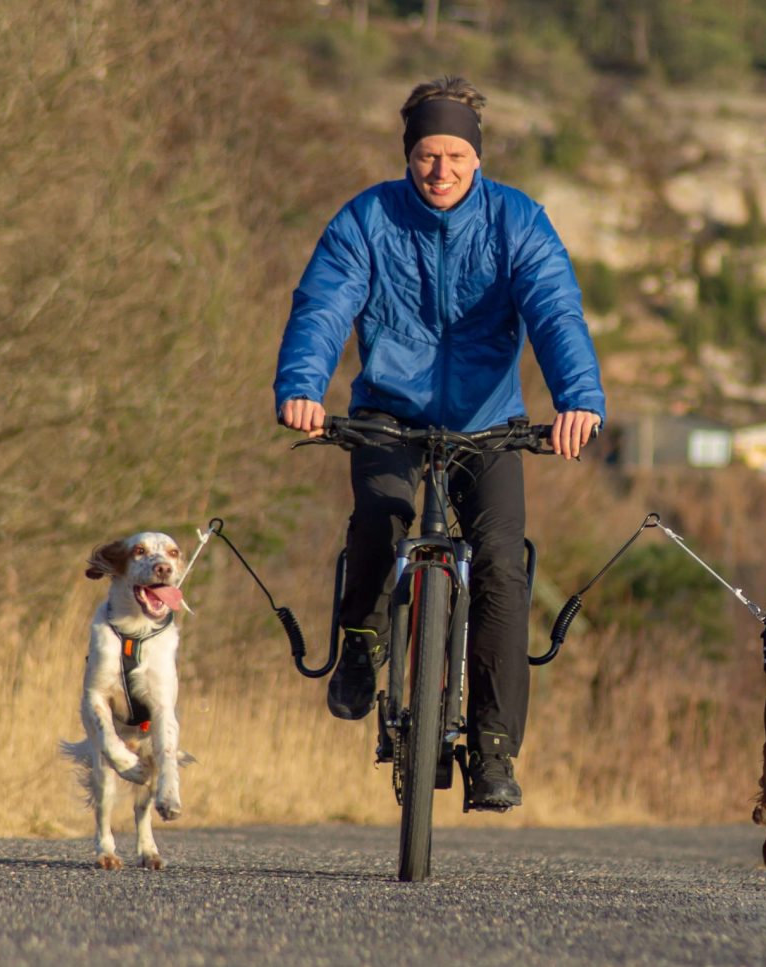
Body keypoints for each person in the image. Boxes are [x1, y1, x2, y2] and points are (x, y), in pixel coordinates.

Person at [273, 76, 605, 810]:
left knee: (499, 565)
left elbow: (555, 309)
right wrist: (303, 385)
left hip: (488, 423)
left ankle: (492, 748)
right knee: (380, 516)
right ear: (408, 154)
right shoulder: (366, 220)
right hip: (388, 414)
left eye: (456, 154)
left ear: (477, 158)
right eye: (428, 154)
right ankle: (361, 643)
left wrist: (578, 398)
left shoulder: (518, 222)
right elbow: (324, 304)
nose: (441, 169)